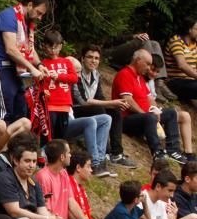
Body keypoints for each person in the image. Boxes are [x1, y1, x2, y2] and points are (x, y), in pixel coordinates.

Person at [40, 31, 113, 175]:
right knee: (89, 121)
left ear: (60, 47)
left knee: (106, 118)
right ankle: (96, 163)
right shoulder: (43, 64)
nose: (53, 50)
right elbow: (39, 81)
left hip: (67, 110)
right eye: (50, 47)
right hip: (54, 109)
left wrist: (59, 77)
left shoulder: (67, 65)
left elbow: (73, 78)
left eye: (56, 47)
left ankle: (100, 159)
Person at [0, 0, 48, 122]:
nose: (40, 18)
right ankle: (0, 141)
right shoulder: (9, 16)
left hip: (15, 70)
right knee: (5, 112)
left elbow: (30, 50)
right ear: (29, 5)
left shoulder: (26, 23)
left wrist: (39, 65)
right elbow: (11, 49)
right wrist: (32, 68)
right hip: (0, 67)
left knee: (20, 111)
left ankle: (16, 142)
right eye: (39, 13)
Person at [111, 49, 184, 163]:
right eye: (148, 64)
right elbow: (127, 100)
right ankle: (157, 152)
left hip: (145, 117)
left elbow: (150, 98)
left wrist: (156, 110)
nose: (148, 68)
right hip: (126, 119)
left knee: (170, 113)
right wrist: (146, 114)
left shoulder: (139, 77)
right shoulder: (125, 74)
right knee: (150, 117)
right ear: (138, 61)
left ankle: (173, 150)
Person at [72, 44, 137, 169]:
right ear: (82, 59)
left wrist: (114, 105)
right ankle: (105, 151)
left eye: (96, 58)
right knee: (101, 109)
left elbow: (100, 97)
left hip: (91, 107)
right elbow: (82, 101)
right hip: (76, 109)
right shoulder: (77, 74)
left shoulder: (96, 75)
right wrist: (111, 103)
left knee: (115, 111)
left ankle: (117, 153)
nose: (93, 61)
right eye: (90, 57)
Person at [67, 150, 133, 219]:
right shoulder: (68, 184)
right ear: (78, 168)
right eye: (88, 166)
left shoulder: (80, 188)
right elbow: (70, 213)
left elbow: (86, 216)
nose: (91, 170)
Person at [165, 18, 197, 105]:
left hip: (191, 81)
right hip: (176, 81)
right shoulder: (176, 41)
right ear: (189, 30)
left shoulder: (194, 44)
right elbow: (182, 65)